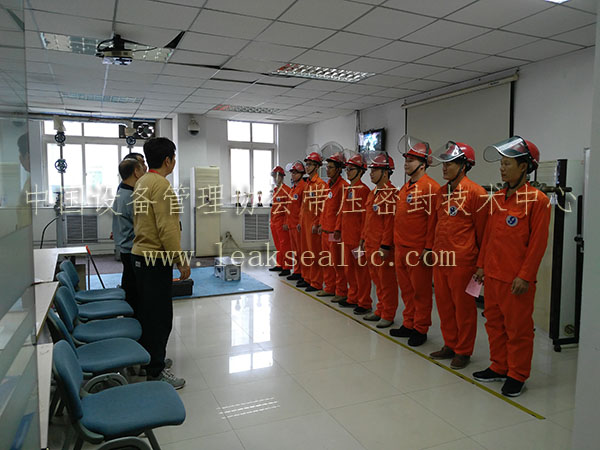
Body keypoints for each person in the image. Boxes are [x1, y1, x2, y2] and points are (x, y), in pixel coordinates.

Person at [472, 137, 550, 397]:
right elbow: (489, 237)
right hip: (493, 277)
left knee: (518, 330)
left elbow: (538, 245)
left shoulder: (537, 200)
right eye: (502, 164)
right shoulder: (497, 198)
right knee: (494, 324)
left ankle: (517, 374)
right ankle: (499, 366)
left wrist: (525, 276)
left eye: (507, 164)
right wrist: (481, 266)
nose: (502, 169)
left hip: (516, 280)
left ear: (524, 167)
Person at [131, 137, 190, 389]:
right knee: (160, 317)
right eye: (173, 158)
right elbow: (168, 229)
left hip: (139, 255)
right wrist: (180, 259)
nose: (174, 162)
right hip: (155, 258)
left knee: (148, 313)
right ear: (168, 160)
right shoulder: (162, 186)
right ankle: (156, 371)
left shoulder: (142, 181)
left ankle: (150, 359)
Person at [427, 142, 488, 369]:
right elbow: (436, 225)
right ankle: (450, 344)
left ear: (464, 166)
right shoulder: (441, 192)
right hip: (441, 259)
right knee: (444, 305)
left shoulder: (476, 193)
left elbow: (483, 234)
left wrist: (481, 265)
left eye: (450, 163)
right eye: (444, 163)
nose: (444, 167)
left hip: (462, 261)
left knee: (464, 309)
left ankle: (463, 350)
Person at [390, 138, 440, 347]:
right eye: (406, 160)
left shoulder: (431, 188)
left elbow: (433, 222)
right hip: (401, 247)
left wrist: (428, 248)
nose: (406, 164)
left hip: (418, 250)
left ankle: (420, 328)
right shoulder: (405, 188)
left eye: (411, 160)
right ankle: (408, 323)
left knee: (421, 292)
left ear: (423, 164)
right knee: (407, 290)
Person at [359, 153, 398, 329]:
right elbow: (368, 220)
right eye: (371, 170)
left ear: (385, 172)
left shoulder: (391, 194)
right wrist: (363, 238)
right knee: (377, 281)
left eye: (375, 170)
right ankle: (380, 310)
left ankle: (388, 314)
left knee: (386, 282)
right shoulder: (373, 193)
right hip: (370, 244)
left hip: (382, 247)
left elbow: (390, 223)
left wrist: (385, 246)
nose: (371, 173)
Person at [335, 153, 373, 314]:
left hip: (357, 240)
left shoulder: (363, 190)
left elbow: (366, 218)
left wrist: (363, 238)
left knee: (361, 272)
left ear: (360, 171)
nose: (348, 172)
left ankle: (364, 302)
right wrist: (338, 228)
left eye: (351, 169)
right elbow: (342, 211)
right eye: (348, 169)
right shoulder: (349, 189)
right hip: (347, 238)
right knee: (349, 270)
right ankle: (353, 297)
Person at [112, 156, 146, 317]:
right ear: (136, 172)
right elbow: (142, 224)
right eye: (142, 166)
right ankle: (133, 318)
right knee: (134, 287)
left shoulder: (122, 190)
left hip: (125, 246)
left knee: (129, 281)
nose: (145, 168)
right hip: (132, 247)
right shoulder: (131, 197)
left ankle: (130, 314)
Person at [317, 152, 349, 302]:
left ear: (339, 169)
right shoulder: (329, 186)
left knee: (337, 263)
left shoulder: (344, 187)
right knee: (327, 261)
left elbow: (342, 211)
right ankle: (329, 288)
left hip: (334, 233)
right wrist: (321, 224)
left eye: (330, 167)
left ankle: (341, 291)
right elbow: (325, 208)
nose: (328, 170)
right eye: (327, 167)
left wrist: (337, 229)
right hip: (325, 230)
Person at [299, 151, 327, 293]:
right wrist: (300, 221)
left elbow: (322, 208)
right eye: (307, 164)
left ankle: (316, 282)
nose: (307, 167)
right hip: (305, 223)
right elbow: (303, 206)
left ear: (317, 166)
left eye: (310, 164)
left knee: (314, 253)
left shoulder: (321, 185)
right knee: (305, 251)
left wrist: (317, 223)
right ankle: (307, 277)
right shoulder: (307, 184)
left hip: (313, 225)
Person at [285, 161, 307, 282]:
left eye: (295, 173)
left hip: (299, 225)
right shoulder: (293, 188)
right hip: (291, 224)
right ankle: (297, 271)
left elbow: (303, 207)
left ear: (301, 174)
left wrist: (300, 222)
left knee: (301, 251)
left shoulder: (303, 187)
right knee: (295, 251)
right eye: (292, 173)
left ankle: (304, 273)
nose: (293, 175)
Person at [269, 166, 292, 276]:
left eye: (276, 176)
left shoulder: (287, 191)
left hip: (282, 222)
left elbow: (289, 209)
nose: (275, 178)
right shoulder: (275, 190)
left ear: (282, 177)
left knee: (285, 245)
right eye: (273, 176)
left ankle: (287, 267)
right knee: (278, 245)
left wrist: (286, 222)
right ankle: (280, 264)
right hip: (274, 222)